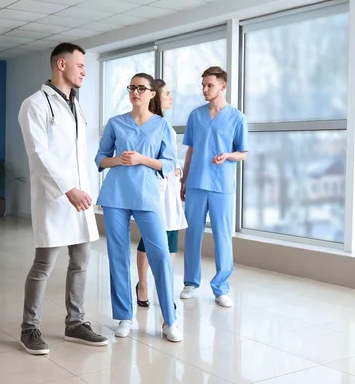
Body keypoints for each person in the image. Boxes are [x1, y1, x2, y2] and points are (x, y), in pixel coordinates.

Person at [17, 42, 108, 355]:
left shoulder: (76, 105)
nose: (84, 70)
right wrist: (67, 188)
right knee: (44, 265)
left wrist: (82, 187)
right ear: (60, 64)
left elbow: (76, 154)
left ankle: (75, 323)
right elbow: (39, 154)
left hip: (79, 197)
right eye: (80, 65)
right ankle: (29, 329)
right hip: (55, 197)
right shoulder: (35, 104)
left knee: (81, 261)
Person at [95, 73, 183, 342]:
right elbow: (100, 159)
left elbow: (168, 164)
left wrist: (143, 159)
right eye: (132, 88)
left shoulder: (162, 127)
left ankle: (170, 321)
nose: (135, 92)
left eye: (141, 88)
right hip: (115, 196)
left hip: (147, 196)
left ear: (152, 94)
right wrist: (119, 160)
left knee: (160, 255)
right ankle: (124, 316)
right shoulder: (116, 123)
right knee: (117, 256)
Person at [179, 66, 248, 308]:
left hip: (221, 186)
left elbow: (243, 153)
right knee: (193, 235)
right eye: (203, 85)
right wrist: (184, 179)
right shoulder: (195, 116)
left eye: (209, 85)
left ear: (223, 86)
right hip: (197, 183)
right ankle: (190, 282)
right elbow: (191, 149)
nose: (205, 89)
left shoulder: (237, 118)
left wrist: (228, 156)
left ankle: (221, 287)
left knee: (222, 237)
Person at [135, 79, 187, 309]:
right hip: (154, 188)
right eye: (167, 93)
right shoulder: (147, 126)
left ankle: (165, 289)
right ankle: (143, 285)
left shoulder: (168, 129)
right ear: (155, 95)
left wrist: (176, 168)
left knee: (171, 238)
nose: (170, 97)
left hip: (170, 189)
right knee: (150, 239)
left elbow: (170, 159)